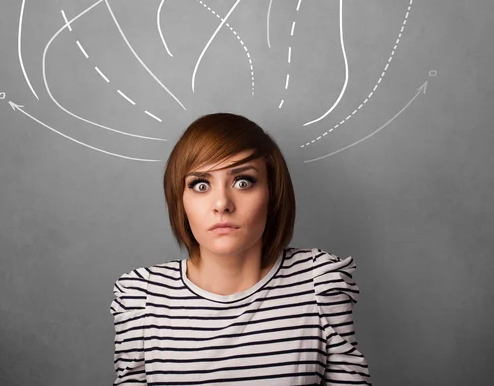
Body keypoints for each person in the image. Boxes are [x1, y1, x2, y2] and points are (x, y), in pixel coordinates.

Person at [110, 112, 372, 385]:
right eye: (201, 185)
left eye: (243, 181)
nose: (222, 203)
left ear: (273, 192)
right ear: (180, 200)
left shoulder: (319, 282)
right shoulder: (141, 297)